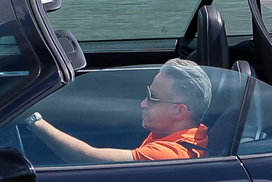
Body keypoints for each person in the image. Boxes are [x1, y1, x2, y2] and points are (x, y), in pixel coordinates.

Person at [27, 58, 214, 163]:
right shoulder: (189, 131)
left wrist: (32, 119)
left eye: (152, 97)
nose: (143, 103)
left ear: (180, 112)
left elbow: (88, 159)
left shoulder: (170, 156)